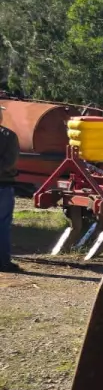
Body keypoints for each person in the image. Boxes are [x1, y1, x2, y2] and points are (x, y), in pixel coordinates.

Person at [0, 111, 20, 272]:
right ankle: (3, 262)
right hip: (3, 186)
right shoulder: (9, 136)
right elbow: (9, 162)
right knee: (3, 225)